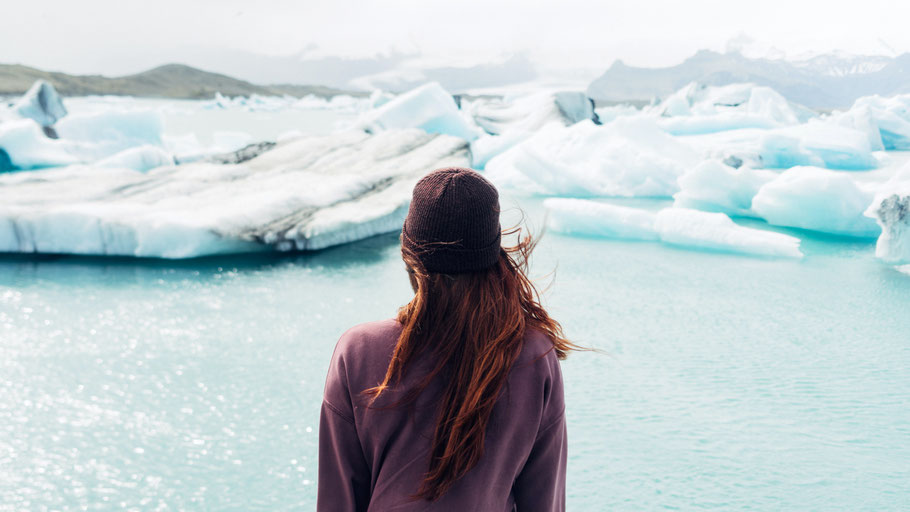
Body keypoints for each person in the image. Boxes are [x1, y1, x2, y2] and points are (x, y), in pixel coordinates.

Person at [318, 167, 577, 511]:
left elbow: (339, 499)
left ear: (409, 258)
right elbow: (544, 501)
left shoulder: (359, 350)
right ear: (492, 259)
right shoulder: (532, 354)